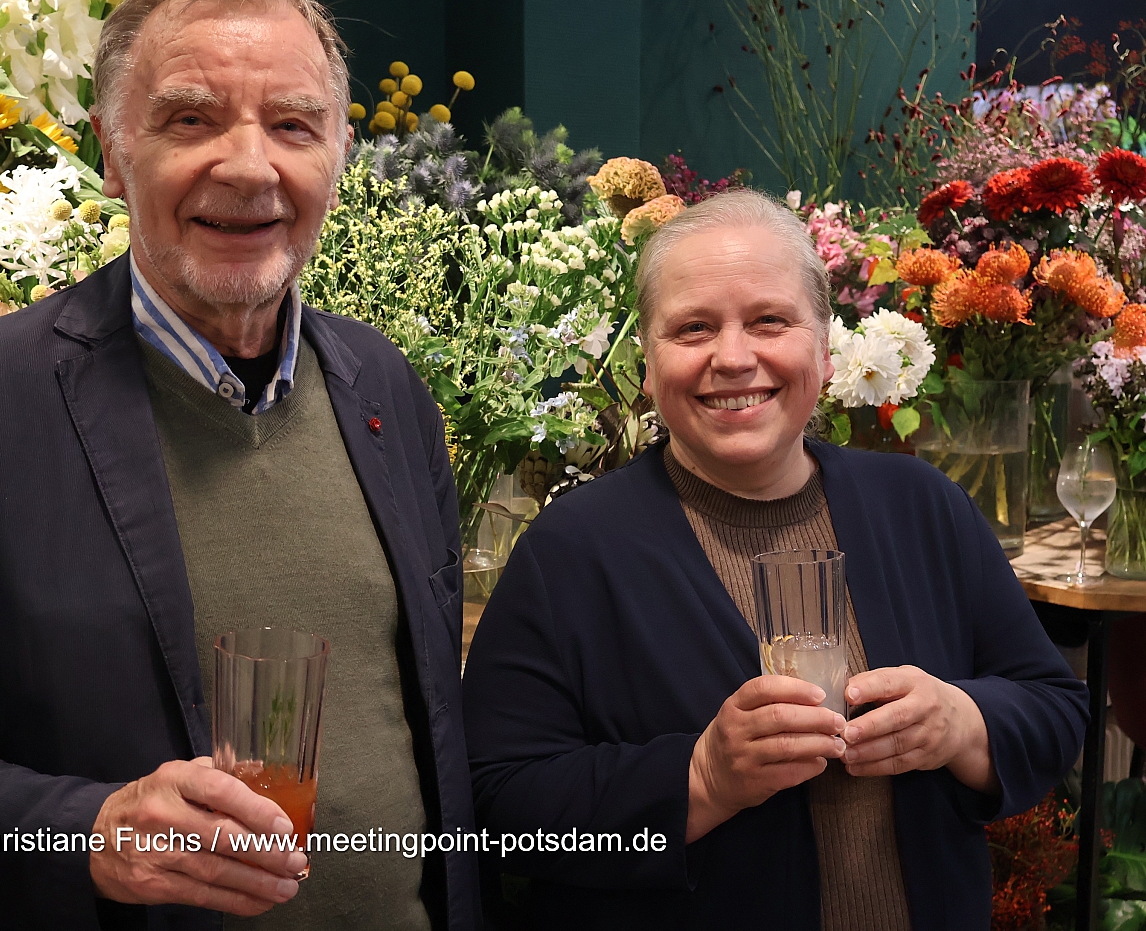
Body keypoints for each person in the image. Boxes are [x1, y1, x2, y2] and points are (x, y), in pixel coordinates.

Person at [0, 0, 476, 931]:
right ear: (112, 153)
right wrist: (83, 834)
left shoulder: (386, 389)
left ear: (339, 154)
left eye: (293, 125)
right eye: (191, 120)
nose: (250, 166)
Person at [461, 189, 1088, 930]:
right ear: (647, 365)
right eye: (693, 328)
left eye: (769, 321)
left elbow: (1054, 709)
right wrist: (700, 779)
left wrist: (961, 722)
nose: (734, 358)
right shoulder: (570, 552)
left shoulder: (922, 505)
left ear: (823, 349)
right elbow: (500, 804)